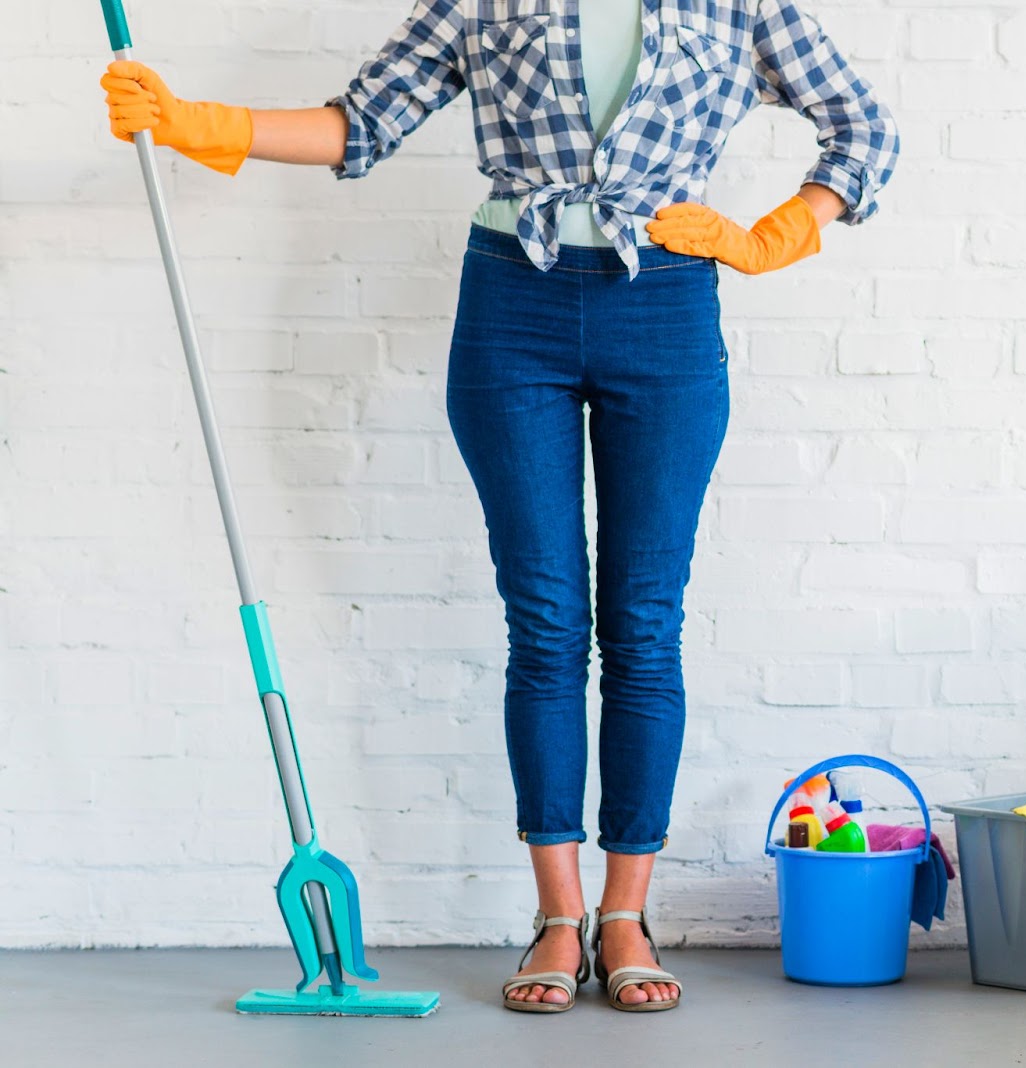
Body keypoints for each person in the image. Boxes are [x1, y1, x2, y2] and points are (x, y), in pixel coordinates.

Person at [101, 0, 897, 1014]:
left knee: (645, 625)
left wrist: (783, 230)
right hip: (510, 306)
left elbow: (862, 124)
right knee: (546, 625)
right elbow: (362, 121)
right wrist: (195, 122)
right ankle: (559, 918)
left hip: (667, 300)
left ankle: (626, 915)